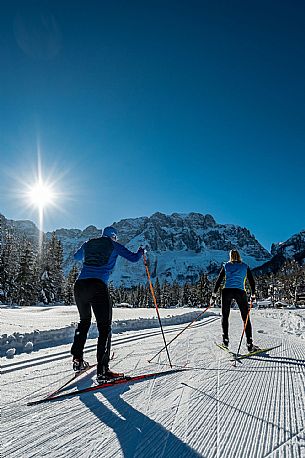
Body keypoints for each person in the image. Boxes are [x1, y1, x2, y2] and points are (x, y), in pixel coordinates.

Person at [71, 226, 144, 381]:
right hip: (97, 286)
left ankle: (77, 360)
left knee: (84, 322)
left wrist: (87, 248)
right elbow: (133, 258)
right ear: (113, 236)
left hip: (79, 286)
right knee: (104, 328)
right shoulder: (113, 245)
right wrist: (141, 252)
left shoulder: (88, 243)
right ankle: (103, 371)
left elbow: (76, 257)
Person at [210, 249, 259, 352]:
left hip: (226, 291)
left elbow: (219, 280)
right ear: (239, 256)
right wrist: (253, 294)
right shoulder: (245, 266)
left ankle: (225, 340)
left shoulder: (226, 265)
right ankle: (250, 344)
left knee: (225, 315)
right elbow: (251, 281)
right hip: (240, 291)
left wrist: (213, 295)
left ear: (231, 256)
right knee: (245, 317)